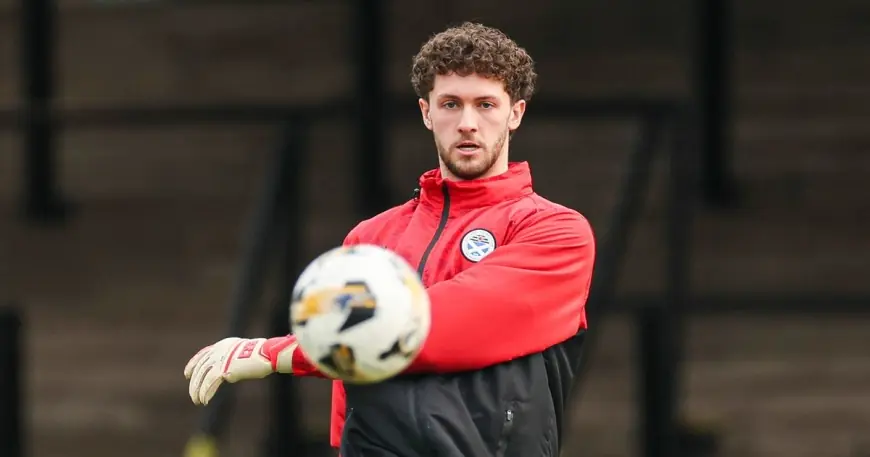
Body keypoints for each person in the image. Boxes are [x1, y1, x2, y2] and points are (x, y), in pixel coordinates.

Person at [184, 22, 595, 457]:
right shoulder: (370, 238)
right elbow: (347, 407)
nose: (467, 123)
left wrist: (277, 353)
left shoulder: (556, 232)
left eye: (486, 104)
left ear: (515, 114)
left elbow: (440, 326)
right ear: (426, 112)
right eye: (450, 104)